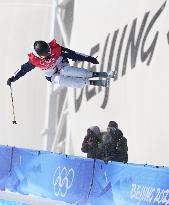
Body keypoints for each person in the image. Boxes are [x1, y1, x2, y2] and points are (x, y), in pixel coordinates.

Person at [7, 39, 116, 88]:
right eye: (46, 54)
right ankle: (91, 83)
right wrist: (13, 77)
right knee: (63, 80)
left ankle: (99, 74)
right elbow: (23, 69)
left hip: (60, 64)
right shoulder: (34, 60)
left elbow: (73, 54)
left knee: (67, 71)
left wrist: (89, 58)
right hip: (51, 74)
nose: (50, 54)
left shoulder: (55, 49)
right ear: (39, 55)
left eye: (49, 51)